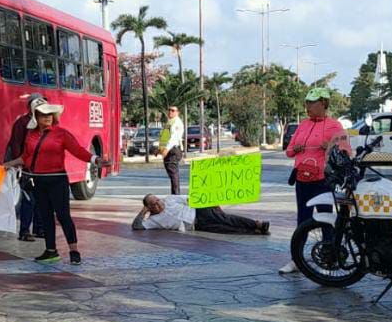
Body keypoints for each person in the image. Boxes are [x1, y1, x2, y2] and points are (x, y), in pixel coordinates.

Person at [4, 98, 109, 264]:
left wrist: (96, 160)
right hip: (39, 181)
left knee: (63, 216)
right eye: (43, 115)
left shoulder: (61, 134)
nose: (47, 118)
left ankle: (74, 251)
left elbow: (78, 151)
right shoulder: (31, 135)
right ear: (35, 117)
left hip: (57, 180)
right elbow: (26, 157)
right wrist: (7, 165)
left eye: (50, 115)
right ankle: (51, 250)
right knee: (45, 216)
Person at [279, 87, 351, 274]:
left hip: (323, 180)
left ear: (323, 104)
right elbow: (288, 151)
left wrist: (330, 147)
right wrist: (296, 149)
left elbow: (345, 152)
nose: (308, 107)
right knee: (302, 219)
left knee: (326, 220)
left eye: (312, 103)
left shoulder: (334, 126)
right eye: (307, 103)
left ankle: (329, 259)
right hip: (302, 178)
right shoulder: (303, 125)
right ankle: (296, 260)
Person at [5, 93, 45, 242]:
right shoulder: (22, 123)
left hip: (41, 167)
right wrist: (19, 163)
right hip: (27, 167)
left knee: (41, 199)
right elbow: (16, 144)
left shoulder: (44, 122)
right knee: (29, 199)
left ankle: (39, 229)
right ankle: (24, 231)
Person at [132, 194, 270, 235]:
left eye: (157, 200)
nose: (158, 203)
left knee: (226, 219)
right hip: (196, 225)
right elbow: (137, 226)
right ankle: (255, 231)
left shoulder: (169, 199)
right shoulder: (153, 220)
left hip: (200, 212)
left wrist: (212, 203)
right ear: (149, 208)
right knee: (225, 230)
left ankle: (257, 223)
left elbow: (191, 199)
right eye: (153, 204)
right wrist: (143, 211)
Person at [158, 105, 185, 194]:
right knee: (172, 174)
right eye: (169, 110)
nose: (170, 112)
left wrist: (166, 149)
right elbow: (164, 137)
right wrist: (159, 149)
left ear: (177, 112)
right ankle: (175, 195)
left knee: (173, 174)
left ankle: (176, 196)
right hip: (168, 150)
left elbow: (174, 138)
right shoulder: (169, 122)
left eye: (173, 110)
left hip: (173, 150)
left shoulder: (177, 122)